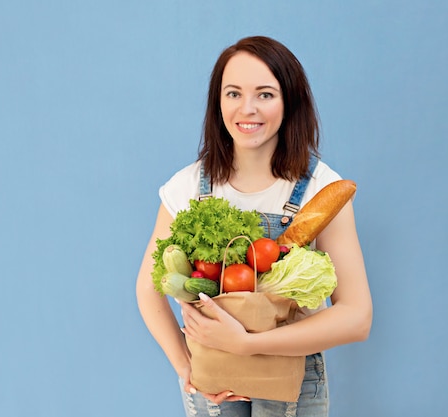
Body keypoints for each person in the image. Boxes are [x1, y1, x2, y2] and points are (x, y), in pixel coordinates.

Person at [136, 36, 373, 417]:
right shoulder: (188, 186)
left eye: (265, 94)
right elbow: (148, 289)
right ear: (218, 102)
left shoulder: (321, 188)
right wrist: (187, 368)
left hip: (293, 384)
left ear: (289, 101)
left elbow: (357, 317)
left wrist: (246, 344)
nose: (247, 109)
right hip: (214, 385)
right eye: (233, 93)